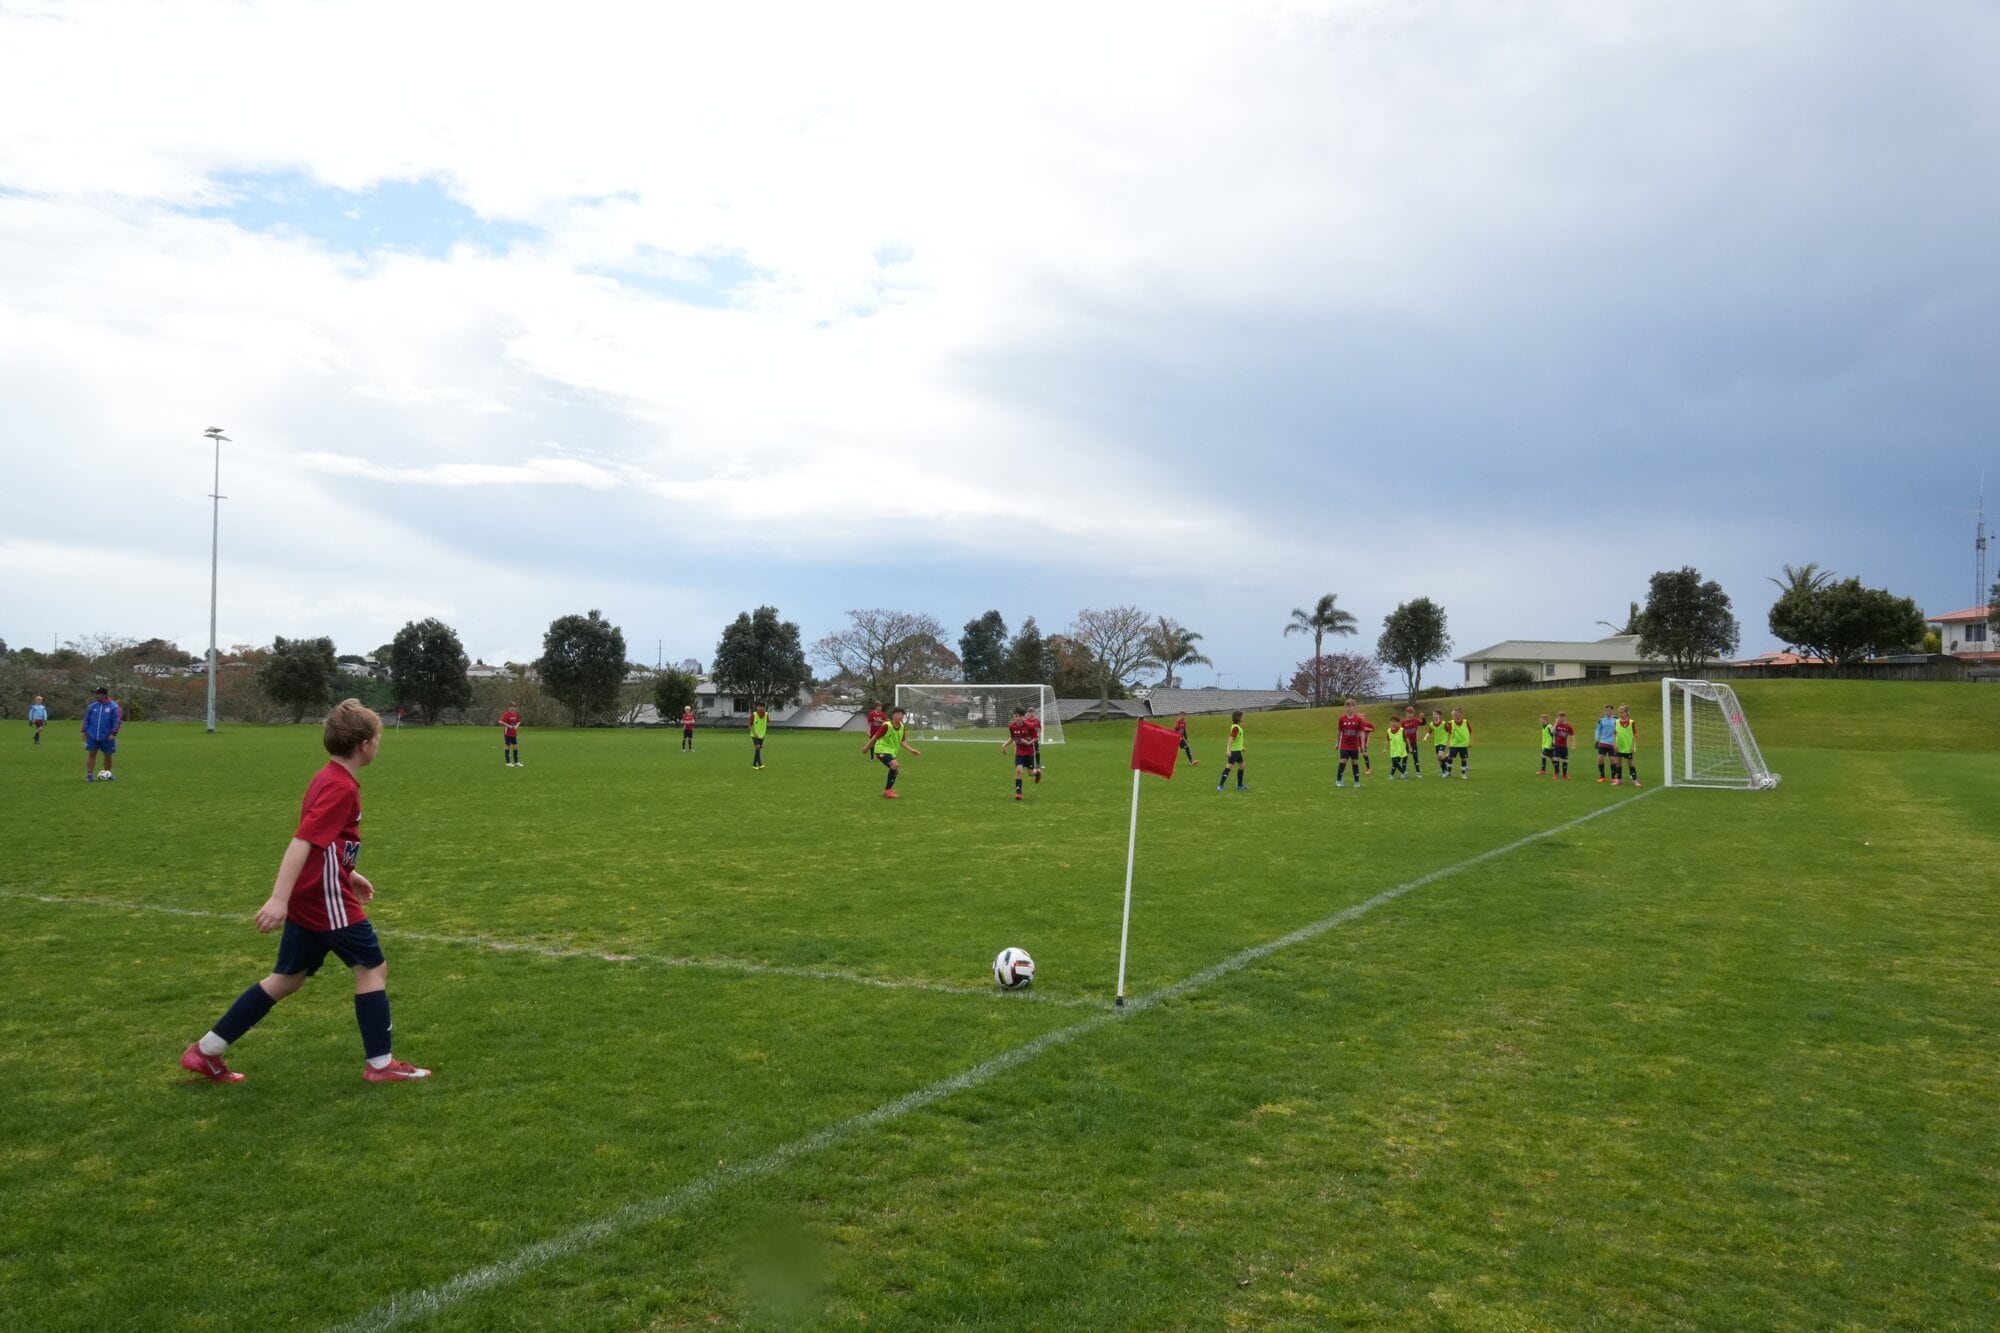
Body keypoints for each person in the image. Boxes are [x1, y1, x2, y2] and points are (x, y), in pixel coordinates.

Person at [179, 699, 431, 1084]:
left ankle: (206, 1051)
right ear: (364, 744)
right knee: (372, 968)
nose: (379, 744)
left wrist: (350, 874)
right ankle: (380, 1065)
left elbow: (325, 843)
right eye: (378, 738)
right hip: (323, 897)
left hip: (319, 888)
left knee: (289, 976)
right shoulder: (340, 787)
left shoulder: (327, 777)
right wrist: (279, 899)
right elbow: (302, 842)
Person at [865, 705, 921, 798]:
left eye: (902, 715)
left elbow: (902, 741)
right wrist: (867, 747)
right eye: (898, 714)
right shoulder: (887, 725)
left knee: (895, 770)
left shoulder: (902, 727)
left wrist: (911, 750)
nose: (900, 716)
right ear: (893, 715)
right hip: (881, 750)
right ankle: (888, 791)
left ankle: (887, 791)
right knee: (895, 765)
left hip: (890, 752)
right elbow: (875, 736)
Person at [1002, 705, 1042, 800]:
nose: (1017, 718)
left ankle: (1037, 773)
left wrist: (1029, 742)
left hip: (1029, 752)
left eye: (1019, 716)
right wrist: (1004, 745)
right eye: (1016, 716)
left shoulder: (1029, 726)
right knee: (1019, 771)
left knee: (1030, 773)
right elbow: (1013, 738)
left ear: (1023, 717)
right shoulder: (1012, 727)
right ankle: (1019, 793)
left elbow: (1036, 737)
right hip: (1019, 752)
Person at [82, 685, 121, 782]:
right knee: (92, 754)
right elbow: (87, 719)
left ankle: (107, 773)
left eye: (97, 694)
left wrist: (113, 733)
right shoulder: (92, 706)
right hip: (92, 735)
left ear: (103, 695)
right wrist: (84, 731)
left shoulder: (113, 707)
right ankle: (89, 775)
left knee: (108, 755)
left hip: (107, 736)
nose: (95, 696)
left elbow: (117, 721)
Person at [1335, 698, 1371, 788]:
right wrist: (1337, 742)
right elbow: (1339, 731)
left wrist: (1362, 745)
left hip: (1354, 745)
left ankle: (1356, 782)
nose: (1348, 708)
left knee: (1355, 762)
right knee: (1343, 760)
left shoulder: (1358, 720)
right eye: (1347, 706)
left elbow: (1362, 732)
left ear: (1354, 707)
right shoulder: (1342, 719)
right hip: (1344, 744)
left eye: (1350, 706)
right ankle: (1339, 780)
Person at [1216, 711, 1248, 792]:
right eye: (1242, 716)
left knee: (1242, 766)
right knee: (1228, 768)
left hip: (1238, 751)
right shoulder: (1236, 728)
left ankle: (1239, 785)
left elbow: (1236, 740)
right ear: (1238, 717)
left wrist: (1241, 747)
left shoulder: (1238, 727)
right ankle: (1220, 785)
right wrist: (1228, 750)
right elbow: (1230, 738)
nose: (1243, 718)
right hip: (1233, 752)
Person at [1612, 705, 1642, 786]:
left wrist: (1633, 746)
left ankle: (1635, 780)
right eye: (1619, 712)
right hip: (1619, 746)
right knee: (1618, 763)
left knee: (1631, 764)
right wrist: (1614, 744)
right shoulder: (1616, 722)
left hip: (1628, 747)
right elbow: (1614, 734)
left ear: (1626, 713)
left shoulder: (1632, 722)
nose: (1620, 714)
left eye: (1622, 712)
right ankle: (1619, 779)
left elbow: (1635, 735)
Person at [1593, 704, 1619, 783]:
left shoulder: (1616, 719)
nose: (1607, 712)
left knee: (1613, 760)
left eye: (1609, 710)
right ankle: (1602, 777)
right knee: (1600, 759)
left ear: (1612, 711)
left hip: (1612, 743)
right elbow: (1598, 730)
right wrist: (1597, 740)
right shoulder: (1601, 720)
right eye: (1606, 710)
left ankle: (1613, 777)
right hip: (1603, 742)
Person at [1447, 708, 1472, 779]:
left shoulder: (1465, 722)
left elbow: (1470, 731)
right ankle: (1449, 772)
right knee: (1450, 757)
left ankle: (1463, 774)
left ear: (1461, 714)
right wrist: (1448, 743)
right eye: (1455, 714)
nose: (1456, 715)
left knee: (1463, 759)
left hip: (1463, 744)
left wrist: (1470, 741)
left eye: (1457, 713)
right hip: (1454, 743)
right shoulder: (1450, 722)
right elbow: (1449, 733)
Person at [1400, 707, 1425, 778]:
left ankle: (1418, 772)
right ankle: (1403, 772)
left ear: (1413, 714)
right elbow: (1401, 732)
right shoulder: (1403, 722)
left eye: (1411, 713)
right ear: (1406, 713)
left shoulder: (1416, 720)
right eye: (1408, 713)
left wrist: (1423, 718)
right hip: (1405, 743)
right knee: (1405, 757)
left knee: (1415, 757)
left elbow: (1423, 724)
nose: (1409, 715)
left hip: (1413, 742)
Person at [1551, 711, 1576, 780]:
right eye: (1560, 718)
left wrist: (1573, 744)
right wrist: (1556, 722)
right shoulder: (1557, 725)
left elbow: (1572, 735)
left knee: (1565, 760)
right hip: (1557, 745)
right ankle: (1556, 774)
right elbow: (1552, 731)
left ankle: (1565, 775)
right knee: (1556, 759)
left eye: (1562, 718)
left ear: (1565, 718)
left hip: (1564, 746)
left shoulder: (1568, 726)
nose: (1561, 719)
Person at [499, 702, 523, 768]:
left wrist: (517, 726)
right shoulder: (506, 714)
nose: (513, 708)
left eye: (514, 707)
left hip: (514, 733)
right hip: (507, 733)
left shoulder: (516, 714)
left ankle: (516, 762)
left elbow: (519, 721)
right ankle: (508, 762)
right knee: (508, 746)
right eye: (511, 707)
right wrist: (508, 725)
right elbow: (500, 721)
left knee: (515, 747)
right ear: (509, 707)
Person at [1429, 709, 1451, 777]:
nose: (1434, 716)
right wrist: (1426, 737)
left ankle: (1446, 771)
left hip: (1443, 742)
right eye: (1433, 714)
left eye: (1436, 714)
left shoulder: (1444, 723)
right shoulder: (1431, 724)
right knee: (1439, 759)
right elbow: (1430, 731)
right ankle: (1444, 770)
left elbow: (1449, 731)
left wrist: (1450, 741)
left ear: (1439, 715)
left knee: (1440, 755)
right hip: (1436, 742)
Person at [749, 704, 769, 768]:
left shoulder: (766, 715)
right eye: (759, 707)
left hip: (762, 735)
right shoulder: (753, 715)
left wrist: (764, 733)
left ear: (764, 708)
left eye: (762, 707)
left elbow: (766, 723)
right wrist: (754, 733)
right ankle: (760, 763)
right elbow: (750, 725)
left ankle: (754, 764)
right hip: (755, 735)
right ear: (756, 707)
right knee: (757, 747)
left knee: (758, 749)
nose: (760, 708)